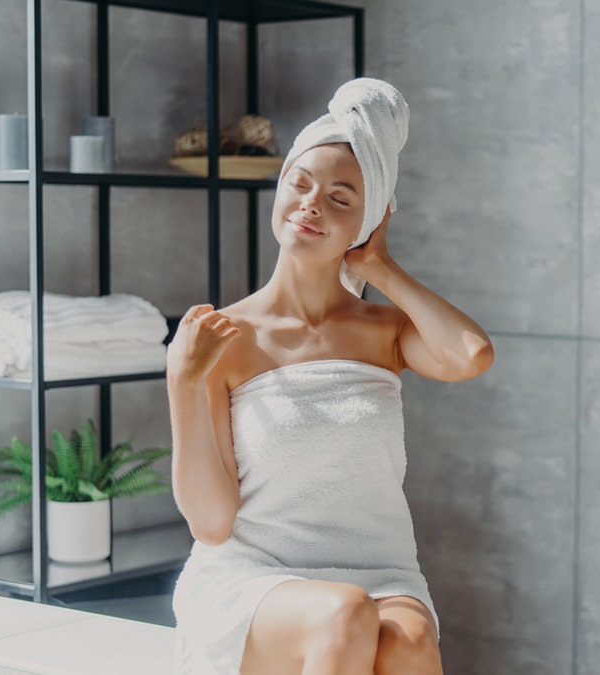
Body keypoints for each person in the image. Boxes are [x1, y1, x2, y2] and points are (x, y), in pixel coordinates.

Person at [167, 78, 493, 674]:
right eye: (300, 183)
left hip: (381, 572)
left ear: (367, 221)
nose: (312, 203)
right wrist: (185, 383)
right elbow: (211, 525)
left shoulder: (386, 331)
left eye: (342, 198)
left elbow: (471, 354)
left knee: (408, 640)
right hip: (255, 578)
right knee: (344, 615)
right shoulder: (221, 339)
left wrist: (381, 266)